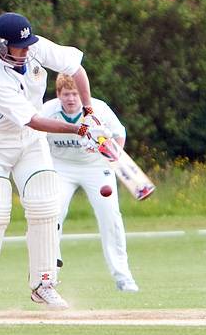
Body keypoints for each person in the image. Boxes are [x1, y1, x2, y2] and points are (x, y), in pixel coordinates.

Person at [0, 12, 113, 315]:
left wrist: (87, 110)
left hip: (30, 144)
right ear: (1, 46)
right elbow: (33, 120)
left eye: (27, 44)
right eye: (19, 47)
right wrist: (78, 130)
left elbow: (76, 68)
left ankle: (44, 284)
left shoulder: (34, 47)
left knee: (46, 203)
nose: (26, 50)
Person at [41, 74, 139, 292]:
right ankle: (48, 276)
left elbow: (119, 133)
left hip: (97, 166)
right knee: (52, 215)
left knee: (110, 216)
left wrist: (115, 155)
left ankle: (123, 277)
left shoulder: (99, 109)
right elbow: (34, 135)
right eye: (67, 94)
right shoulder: (48, 111)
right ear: (59, 95)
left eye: (75, 94)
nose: (71, 99)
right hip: (61, 167)